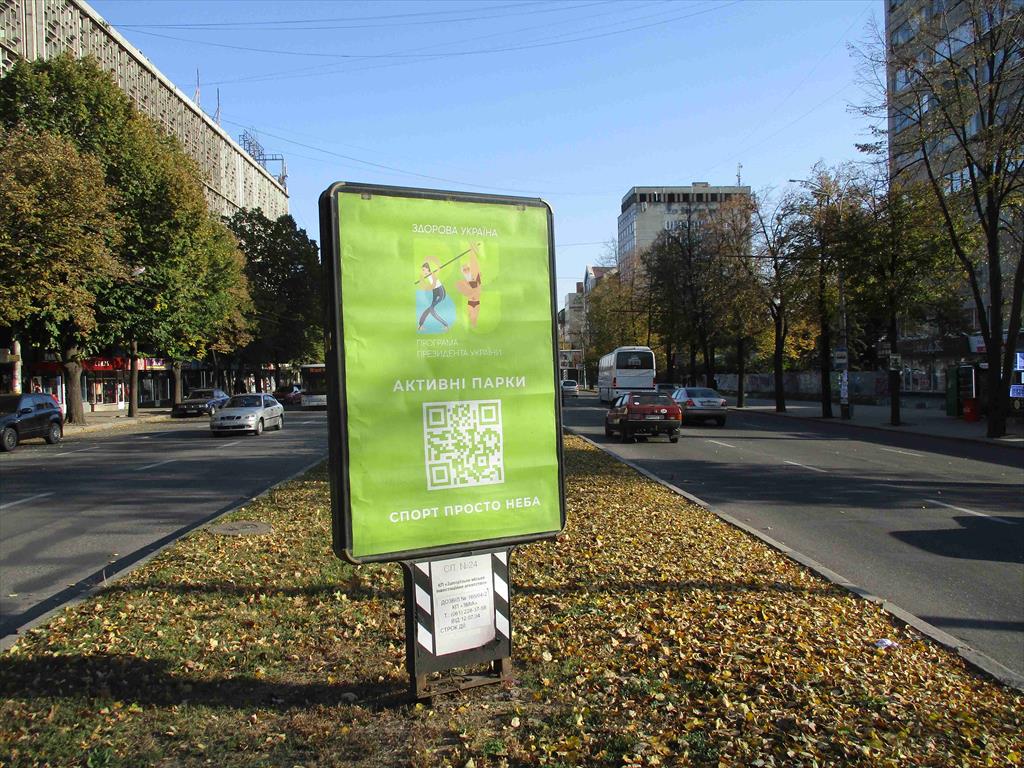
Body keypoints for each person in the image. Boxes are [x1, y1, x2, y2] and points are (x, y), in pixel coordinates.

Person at [417, 257, 450, 332]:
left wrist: (432, 260)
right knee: (429, 309)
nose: (423, 271)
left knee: (431, 310)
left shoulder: (432, 274)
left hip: (440, 291)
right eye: (422, 270)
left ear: (427, 269)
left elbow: (433, 284)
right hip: (435, 291)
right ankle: (420, 325)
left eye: (423, 270)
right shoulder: (428, 275)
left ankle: (446, 325)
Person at [454, 244, 482, 327]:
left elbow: (473, 266)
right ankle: (472, 250)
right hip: (472, 297)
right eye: (464, 270)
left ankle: (472, 250)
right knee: (472, 315)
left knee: (474, 267)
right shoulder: (465, 280)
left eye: (467, 269)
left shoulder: (473, 274)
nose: (466, 270)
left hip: (474, 286)